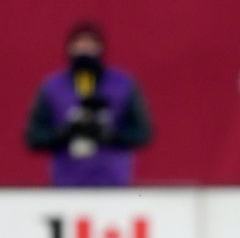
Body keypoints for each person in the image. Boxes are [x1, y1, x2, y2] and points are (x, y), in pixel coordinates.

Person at [25, 21, 152, 186]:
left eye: (90, 44)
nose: (85, 49)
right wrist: (65, 134)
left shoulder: (123, 84)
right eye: (79, 44)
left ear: (100, 48)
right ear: (69, 48)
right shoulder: (53, 87)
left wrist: (110, 135)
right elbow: (35, 136)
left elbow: (142, 132)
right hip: (67, 181)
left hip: (113, 180)